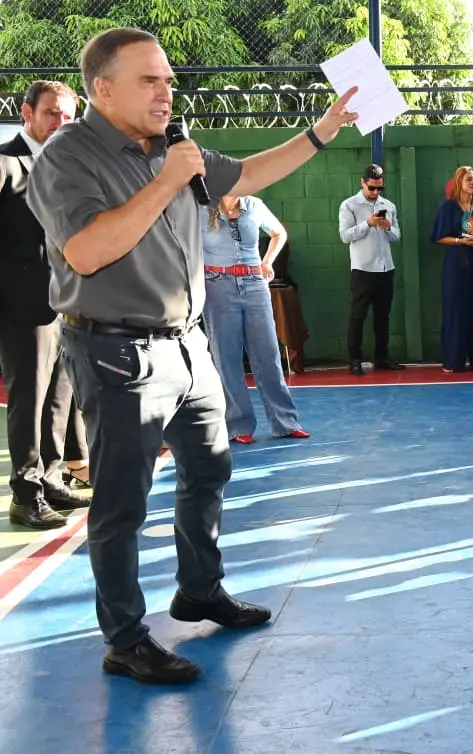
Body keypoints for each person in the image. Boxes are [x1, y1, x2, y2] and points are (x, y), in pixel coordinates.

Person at [25, 27, 359, 684]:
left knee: (209, 470)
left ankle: (199, 590)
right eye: (149, 80)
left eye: (169, 80)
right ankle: (125, 639)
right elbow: (87, 251)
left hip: (187, 345)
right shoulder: (69, 156)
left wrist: (321, 131)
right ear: (103, 89)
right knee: (122, 503)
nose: (166, 92)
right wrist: (168, 179)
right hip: (117, 351)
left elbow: (249, 173)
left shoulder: (172, 145)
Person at [0, 79, 88, 529]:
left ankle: (52, 479)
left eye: (68, 116)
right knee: (29, 400)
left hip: (66, 302)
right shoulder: (5, 162)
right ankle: (25, 494)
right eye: (52, 112)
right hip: (22, 307)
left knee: (59, 398)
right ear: (27, 113)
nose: (60, 122)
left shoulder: (68, 166)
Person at [200, 194, 310, 444]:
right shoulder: (200, 207)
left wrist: (267, 261)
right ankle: (238, 426)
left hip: (254, 283)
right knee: (227, 357)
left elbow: (278, 233)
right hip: (217, 285)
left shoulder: (254, 205)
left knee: (268, 354)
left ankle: (285, 422)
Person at [429, 165, 473, 373]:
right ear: (459, 182)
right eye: (469, 179)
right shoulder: (447, 207)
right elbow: (438, 237)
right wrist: (460, 241)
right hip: (455, 266)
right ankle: (453, 361)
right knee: (455, 311)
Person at [338, 163, 403, 375]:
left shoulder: (388, 206)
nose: (376, 192)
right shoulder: (349, 205)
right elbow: (345, 236)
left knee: (383, 316)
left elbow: (397, 236)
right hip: (363, 269)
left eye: (379, 188)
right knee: (358, 316)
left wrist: (387, 227)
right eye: (372, 188)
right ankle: (354, 359)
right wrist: (368, 223)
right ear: (363, 183)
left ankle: (382, 357)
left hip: (386, 268)